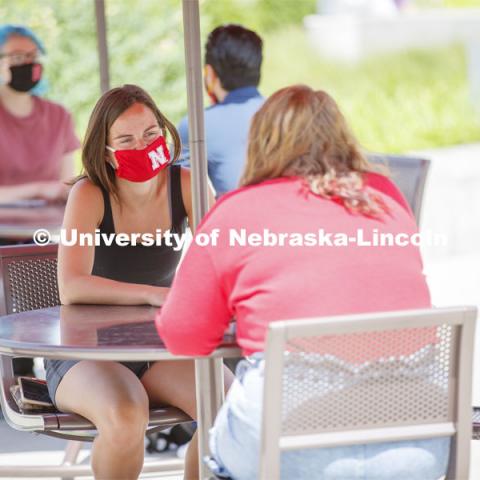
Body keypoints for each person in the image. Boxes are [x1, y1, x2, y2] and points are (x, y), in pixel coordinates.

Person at [156, 85, 450, 479]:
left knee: (217, 443)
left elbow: (183, 336)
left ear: (260, 141)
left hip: (289, 449)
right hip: (415, 448)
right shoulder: (386, 197)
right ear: (341, 137)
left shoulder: (237, 211)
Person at [45, 84, 233, 480]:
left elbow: (221, 263)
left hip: (155, 347)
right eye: (127, 140)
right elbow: (72, 286)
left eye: (150, 134)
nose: (143, 145)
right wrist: (154, 295)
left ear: (164, 131)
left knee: (228, 406)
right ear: (107, 151)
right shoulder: (89, 193)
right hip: (85, 352)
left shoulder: (187, 184)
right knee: (126, 415)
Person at [177, 24, 264, 198]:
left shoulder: (198, 124)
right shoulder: (287, 114)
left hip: (236, 222)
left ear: (209, 73)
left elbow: (180, 196)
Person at [0, 24, 80, 203]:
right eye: (18, 57)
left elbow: (67, 188)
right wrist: (38, 190)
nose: (28, 63)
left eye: (33, 56)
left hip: (50, 228)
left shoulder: (59, 116)